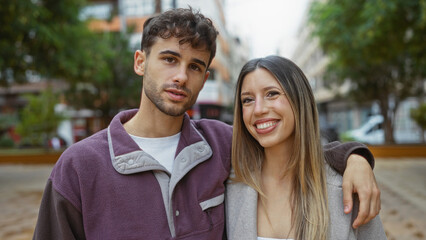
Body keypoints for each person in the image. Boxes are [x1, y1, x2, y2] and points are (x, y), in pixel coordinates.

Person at [33, 8, 380, 239]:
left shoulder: (222, 145)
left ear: (205, 76)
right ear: (140, 62)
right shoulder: (79, 166)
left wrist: (355, 157)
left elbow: (291, 143)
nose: (181, 76)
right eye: (169, 59)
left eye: (195, 66)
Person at [225, 56, 387, 240]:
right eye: (247, 100)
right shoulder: (228, 186)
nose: (258, 109)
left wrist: (357, 157)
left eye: (271, 94)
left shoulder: (348, 187)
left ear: (299, 99)